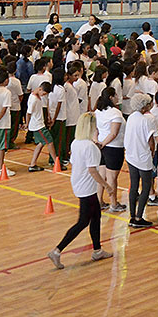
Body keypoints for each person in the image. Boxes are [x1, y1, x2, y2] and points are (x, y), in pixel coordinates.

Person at [48, 112, 115, 268]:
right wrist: (107, 186)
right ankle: (57, 250)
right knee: (83, 221)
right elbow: (93, 170)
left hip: (79, 183)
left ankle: (97, 250)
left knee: (96, 216)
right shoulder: (90, 146)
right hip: (87, 188)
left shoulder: (76, 142)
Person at [122, 94, 157, 226]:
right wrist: (152, 153)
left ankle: (132, 215)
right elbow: (150, 141)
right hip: (143, 157)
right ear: (144, 106)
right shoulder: (145, 120)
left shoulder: (131, 117)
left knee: (134, 186)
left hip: (131, 155)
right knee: (146, 186)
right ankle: (138, 217)